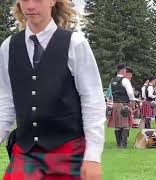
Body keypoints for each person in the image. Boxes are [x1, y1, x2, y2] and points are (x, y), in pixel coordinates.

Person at [0, 0, 106, 179]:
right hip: (26, 154)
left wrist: (93, 157)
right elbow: (6, 102)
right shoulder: (8, 47)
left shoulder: (75, 44)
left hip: (68, 151)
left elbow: (92, 100)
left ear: (51, 1)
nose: (30, 6)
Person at [108, 64, 137, 148]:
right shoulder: (125, 80)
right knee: (125, 125)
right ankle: (123, 145)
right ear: (124, 71)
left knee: (117, 125)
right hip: (124, 104)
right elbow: (130, 93)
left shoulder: (113, 80)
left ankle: (118, 143)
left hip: (115, 104)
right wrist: (132, 100)